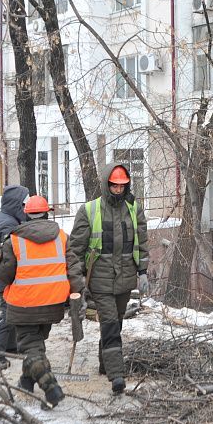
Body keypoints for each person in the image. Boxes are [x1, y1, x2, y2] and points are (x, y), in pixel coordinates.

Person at [66, 163, 149, 395]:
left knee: (116, 324)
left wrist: (143, 272)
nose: (118, 190)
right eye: (114, 185)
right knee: (110, 324)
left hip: (125, 278)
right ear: (106, 184)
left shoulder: (134, 209)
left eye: (122, 186)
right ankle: (117, 376)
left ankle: (105, 364)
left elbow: (142, 242)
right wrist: (78, 281)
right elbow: (75, 250)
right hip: (100, 279)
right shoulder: (90, 211)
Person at [0, 194, 69, 408]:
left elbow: (5, 275)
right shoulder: (62, 237)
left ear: (26, 214)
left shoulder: (15, 240)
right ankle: (26, 381)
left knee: (31, 348)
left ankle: (51, 387)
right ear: (47, 213)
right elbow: (73, 265)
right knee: (36, 345)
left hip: (24, 305)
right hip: (53, 304)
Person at [0, 184, 28, 365]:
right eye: (24, 204)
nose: (26, 208)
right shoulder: (7, 224)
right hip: (6, 276)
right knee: (7, 313)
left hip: (4, 275)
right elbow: (13, 248)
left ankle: (11, 346)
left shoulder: (7, 217)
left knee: (13, 311)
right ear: (16, 204)